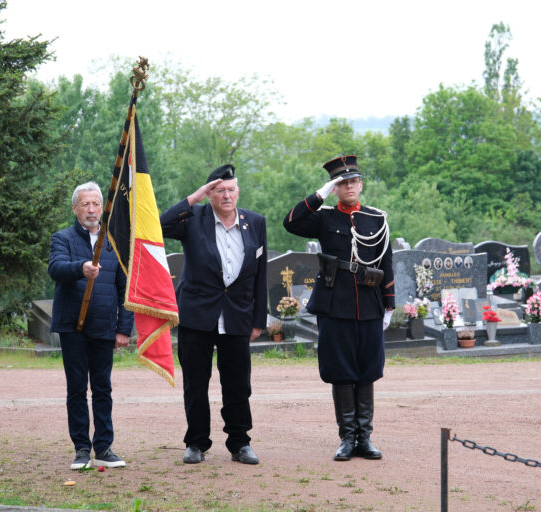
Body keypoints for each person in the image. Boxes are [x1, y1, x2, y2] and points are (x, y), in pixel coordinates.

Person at [283, 155, 394, 461]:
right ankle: (347, 437)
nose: (349, 186)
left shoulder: (377, 219)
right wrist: (319, 194)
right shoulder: (325, 218)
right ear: (335, 188)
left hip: (370, 303)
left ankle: (365, 437)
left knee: (368, 369)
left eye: (353, 181)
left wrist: (390, 305)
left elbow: (386, 262)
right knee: (341, 370)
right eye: (342, 183)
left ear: (361, 184)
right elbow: (290, 222)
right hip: (335, 305)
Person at [160, 164, 267, 465]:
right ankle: (196, 442)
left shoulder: (254, 222)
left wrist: (258, 319)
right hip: (197, 314)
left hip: (237, 315)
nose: (227, 195)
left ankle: (240, 442)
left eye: (231, 189)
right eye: (220, 191)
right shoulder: (193, 218)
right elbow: (160, 225)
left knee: (237, 383)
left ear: (238, 192)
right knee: (196, 382)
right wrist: (194, 198)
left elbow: (259, 275)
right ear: (210, 194)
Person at [49, 181, 134, 470]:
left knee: (102, 388)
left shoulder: (114, 242)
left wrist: (124, 328)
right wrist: (81, 268)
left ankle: (104, 447)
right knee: (76, 389)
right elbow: (56, 268)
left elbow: (125, 287)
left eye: (96, 204)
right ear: (75, 208)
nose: (91, 209)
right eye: (85, 204)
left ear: (103, 207)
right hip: (72, 327)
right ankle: (81, 449)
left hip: (104, 327)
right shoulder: (62, 239)